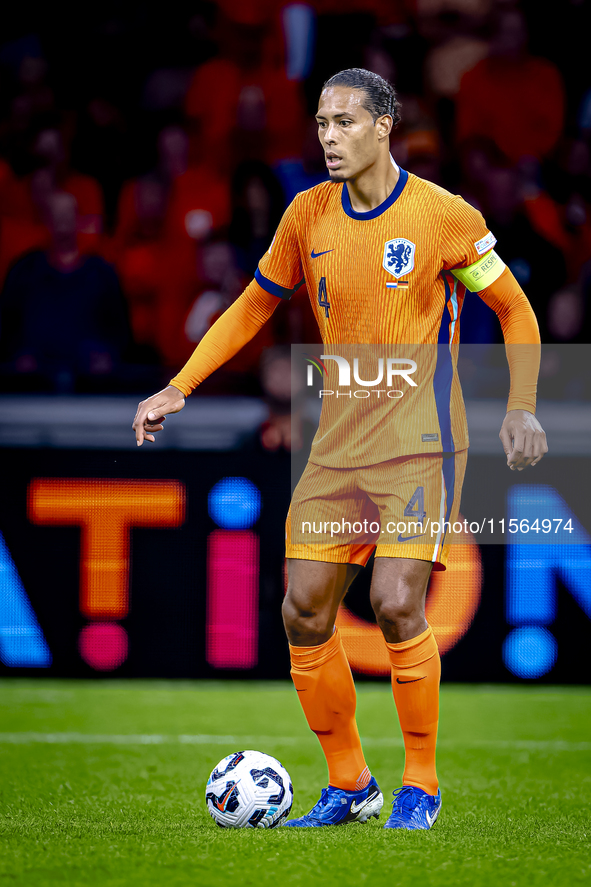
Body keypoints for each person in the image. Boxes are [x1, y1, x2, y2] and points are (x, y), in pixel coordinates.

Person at [132, 69, 547, 830]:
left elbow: (514, 309)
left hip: (421, 444)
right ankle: (350, 783)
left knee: (394, 603)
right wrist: (179, 385)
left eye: (346, 121)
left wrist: (520, 407)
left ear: (384, 124)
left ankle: (419, 783)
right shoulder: (306, 214)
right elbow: (255, 302)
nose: (328, 136)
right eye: (321, 122)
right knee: (301, 614)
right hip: (336, 448)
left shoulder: (441, 216)